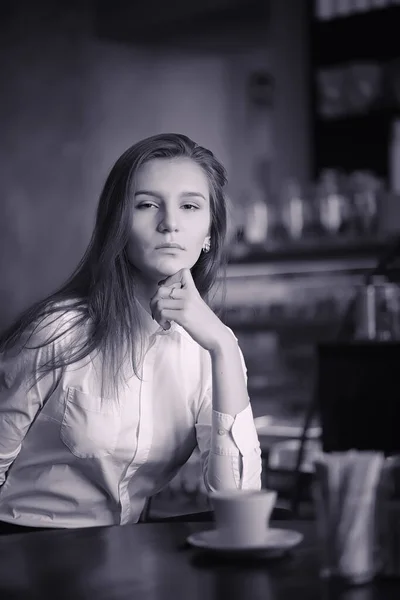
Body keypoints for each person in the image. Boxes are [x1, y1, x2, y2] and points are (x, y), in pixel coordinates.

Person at [0, 133, 262, 534]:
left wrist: (224, 346)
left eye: (190, 206)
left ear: (209, 233)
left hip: (127, 549)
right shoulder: (57, 331)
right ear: (117, 223)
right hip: (26, 548)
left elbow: (237, 504)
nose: (170, 223)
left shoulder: (210, 347)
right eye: (147, 205)